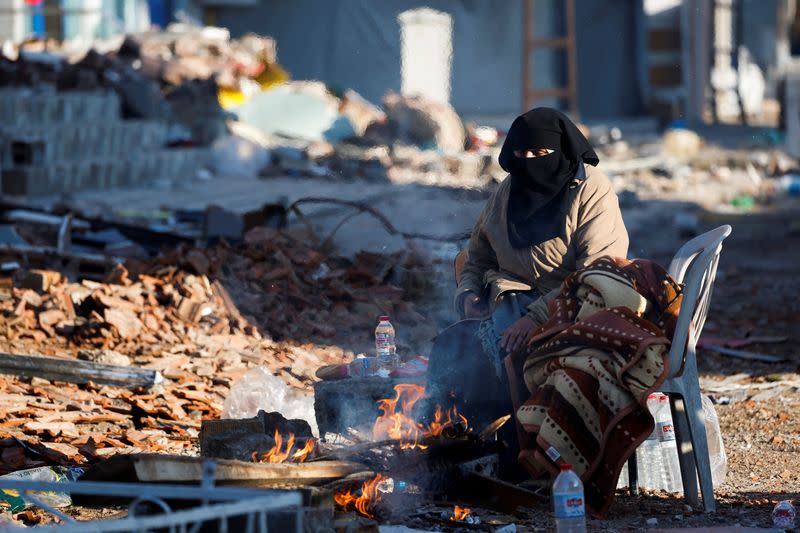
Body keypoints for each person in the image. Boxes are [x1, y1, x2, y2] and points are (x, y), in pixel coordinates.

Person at [424, 108, 628, 473]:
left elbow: (597, 273)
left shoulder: (591, 190)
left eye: (539, 155)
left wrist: (537, 318)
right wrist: (468, 294)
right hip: (509, 302)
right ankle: (455, 451)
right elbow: (478, 256)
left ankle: (520, 459)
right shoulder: (508, 191)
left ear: (562, 151)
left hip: (575, 308)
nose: (530, 163)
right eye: (521, 155)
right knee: (451, 349)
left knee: (512, 354)